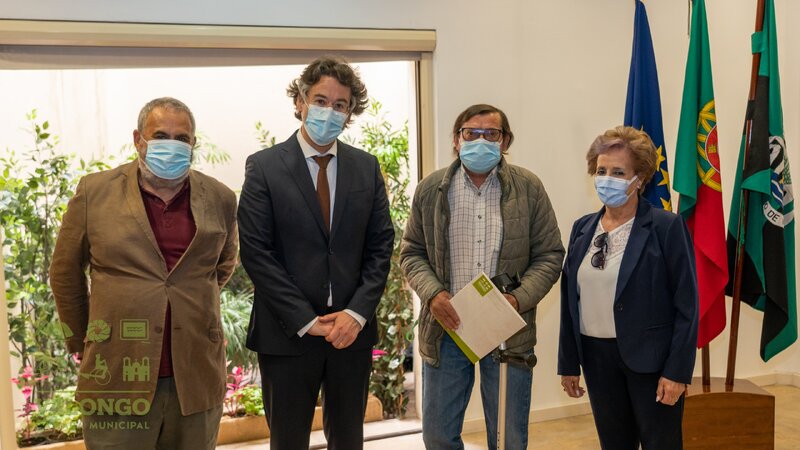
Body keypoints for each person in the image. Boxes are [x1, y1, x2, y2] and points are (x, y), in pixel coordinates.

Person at [50, 97, 239, 449]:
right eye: (161, 135)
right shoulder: (95, 191)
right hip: (117, 372)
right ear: (139, 139)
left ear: (193, 144)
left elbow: (222, 266)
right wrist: (82, 340)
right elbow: (64, 272)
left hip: (195, 376)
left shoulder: (221, 198)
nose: (172, 145)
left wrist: (185, 298)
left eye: (182, 138)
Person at [238, 56, 394, 450]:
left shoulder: (366, 167)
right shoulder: (264, 167)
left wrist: (356, 314)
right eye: (321, 100)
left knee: (349, 440)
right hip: (287, 334)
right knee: (288, 441)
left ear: (350, 113)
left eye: (340, 105)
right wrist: (306, 320)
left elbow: (380, 246)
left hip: (350, 334)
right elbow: (256, 252)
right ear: (301, 101)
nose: (329, 111)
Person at [400, 104, 564, 449]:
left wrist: (517, 299)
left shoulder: (529, 188)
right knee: (438, 436)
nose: (480, 140)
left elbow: (550, 255)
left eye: (491, 134)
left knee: (508, 438)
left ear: (505, 141)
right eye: (471, 133)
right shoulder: (431, 189)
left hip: (506, 329)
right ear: (456, 140)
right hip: (447, 327)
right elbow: (411, 253)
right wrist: (433, 294)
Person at [558, 126, 699, 449]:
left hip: (652, 362)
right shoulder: (582, 228)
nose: (607, 179)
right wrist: (568, 363)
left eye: (618, 172)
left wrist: (677, 372)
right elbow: (570, 300)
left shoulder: (666, 227)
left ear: (640, 178)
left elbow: (687, 306)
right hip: (596, 359)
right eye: (602, 171)